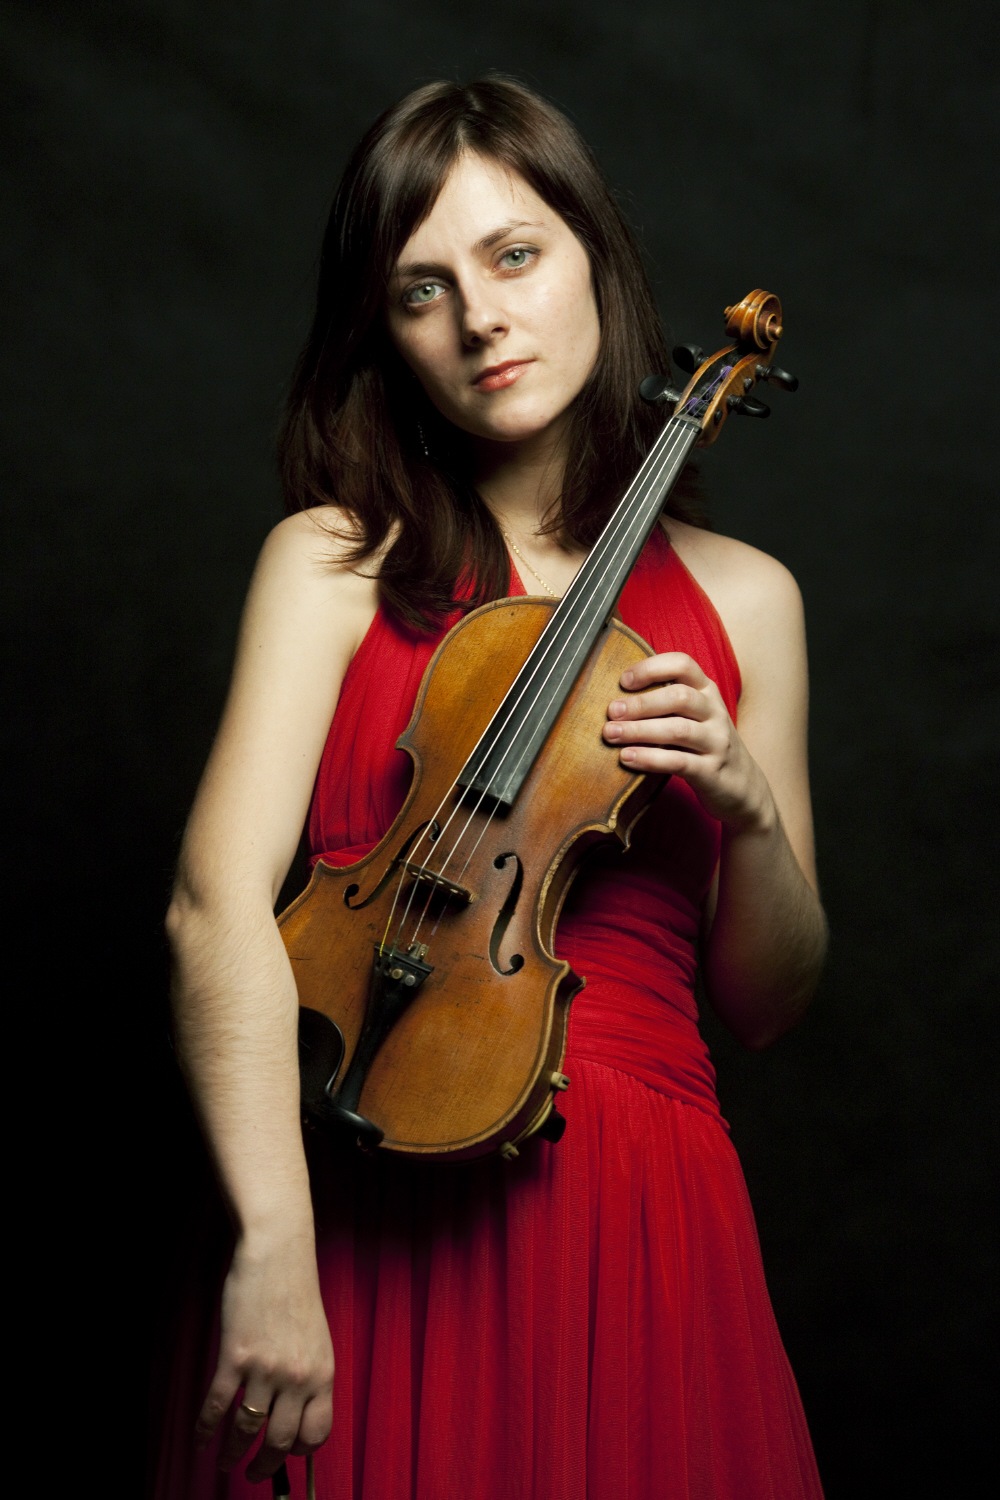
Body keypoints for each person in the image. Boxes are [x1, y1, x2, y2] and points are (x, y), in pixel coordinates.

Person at [160, 75, 828, 1499]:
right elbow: (215, 911)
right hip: (351, 1183)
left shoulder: (750, 601)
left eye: (516, 255)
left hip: (640, 1212)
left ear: (595, 256)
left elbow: (770, 1002)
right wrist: (273, 1240)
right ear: (387, 333)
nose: (480, 318)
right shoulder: (334, 562)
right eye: (423, 288)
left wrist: (749, 804)